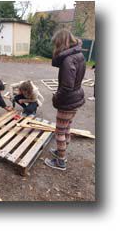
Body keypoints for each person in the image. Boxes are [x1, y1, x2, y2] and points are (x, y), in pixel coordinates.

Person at [45, 29, 86, 171]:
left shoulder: (68, 60)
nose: (55, 47)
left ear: (61, 42)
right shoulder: (78, 54)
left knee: (60, 132)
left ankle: (60, 161)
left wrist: (56, 97)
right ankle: (60, 152)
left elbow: (67, 86)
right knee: (66, 128)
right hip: (75, 98)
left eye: (56, 43)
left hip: (68, 101)